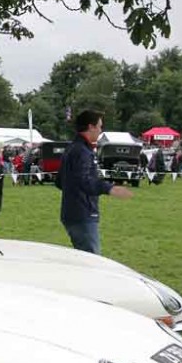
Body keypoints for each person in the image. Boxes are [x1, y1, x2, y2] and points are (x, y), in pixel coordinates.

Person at [57, 109, 133, 255]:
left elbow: (60, 181)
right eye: (99, 126)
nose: (100, 130)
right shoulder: (83, 152)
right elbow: (84, 181)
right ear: (91, 127)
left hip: (71, 212)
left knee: (84, 257)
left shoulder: (71, 148)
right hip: (83, 213)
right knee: (92, 261)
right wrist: (109, 188)